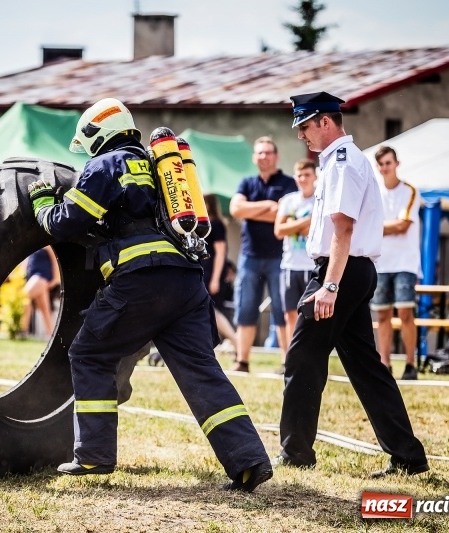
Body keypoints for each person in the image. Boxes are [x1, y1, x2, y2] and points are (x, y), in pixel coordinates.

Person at [29, 97, 272, 491]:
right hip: (187, 283)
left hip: (142, 282)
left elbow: (65, 223)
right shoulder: (162, 166)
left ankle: (92, 456)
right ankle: (249, 462)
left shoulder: (105, 165)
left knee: (89, 353)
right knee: (202, 372)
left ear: (97, 135)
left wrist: (43, 203)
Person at [275, 91, 429, 478]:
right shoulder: (337, 161)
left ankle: (295, 452)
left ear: (326, 122)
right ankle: (408, 455)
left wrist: (329, 286)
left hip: (339, 270)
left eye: (306, 126)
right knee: (365, 367)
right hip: (351, 270)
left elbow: (343, 228)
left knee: (303, 358)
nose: (302, 136)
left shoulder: (342, 162)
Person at [229, 137, 297, 373]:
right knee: (245, 308)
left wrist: (251, 210)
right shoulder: (247, 183)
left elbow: (285, 215)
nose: (264, 157)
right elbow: (235, 209)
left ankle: (287, 363)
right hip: (249, 256)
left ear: (276, 156)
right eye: (259, 153)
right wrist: (268, 205)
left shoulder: (288, 183)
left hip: (280, 257)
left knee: (282, 310)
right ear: (254, 157)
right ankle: (242, 361)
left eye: (268, 153)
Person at [372, 146, 422, 380]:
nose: (384, 168)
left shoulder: (410, 190)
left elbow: (403, 225)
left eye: (388, 163)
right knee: (382, 316)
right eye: (381, 164)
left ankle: (411, 364)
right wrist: (383, 227)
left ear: (396, 164)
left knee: (405, 313)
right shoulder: (374, 192)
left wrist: (376, 228)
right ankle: (385, 364)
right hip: (380, 262)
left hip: (405, 262)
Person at [274, 159, 317, 356]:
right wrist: (304, 222)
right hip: (290, 266)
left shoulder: (320, 199)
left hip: (312, 265)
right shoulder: (289, 200)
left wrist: (295, 224)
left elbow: (315, 230)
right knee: (290, 313)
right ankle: (292, 357)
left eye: (307, 175)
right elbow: (279, 230)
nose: (303, 179)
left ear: (315, 176)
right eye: (299, 175)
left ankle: (310, 356)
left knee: (311, 315)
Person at [202, 193, 237, 351]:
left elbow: (221, 253)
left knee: (213, 311)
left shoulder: (215, 225)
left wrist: (215, 279)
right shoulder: (204, 224)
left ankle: (237, 342)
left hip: (212, 274)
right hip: (205, 273)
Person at [21, 246, 60, 337]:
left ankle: (23, 329)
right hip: (34, 277)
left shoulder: (48, 246)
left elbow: (55, 261)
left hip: (41, 277)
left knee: (24, 297)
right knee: (45, 309)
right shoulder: (32, 247)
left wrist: (55, 279)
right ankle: (52, 335)